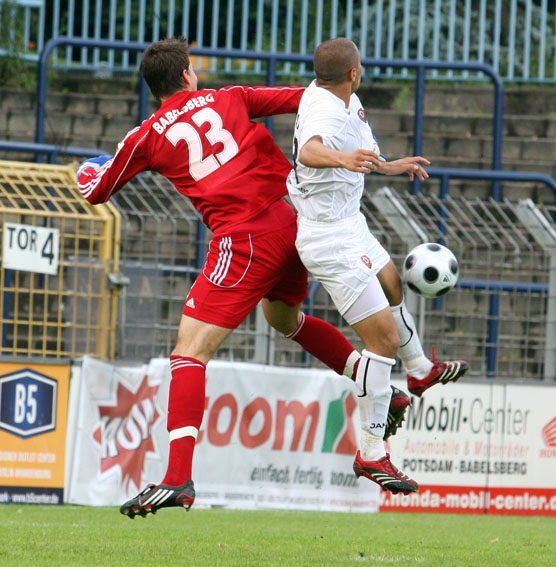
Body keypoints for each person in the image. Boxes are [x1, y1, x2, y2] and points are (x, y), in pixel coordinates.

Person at [76, 37, 411, 518]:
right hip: (293, 224)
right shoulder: (229, 97)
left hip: (244, 240)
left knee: (189, 353)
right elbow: (307, 96)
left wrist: (86, 171)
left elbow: (97, 189)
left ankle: (176, 478)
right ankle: (373, 382)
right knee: (284, 319)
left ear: (153, 86)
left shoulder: (144, 136)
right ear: (188, 74)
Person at [287, 37, 469, 494]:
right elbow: (308, 150)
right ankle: (371, 452)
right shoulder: (325, 109)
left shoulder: (344, 98)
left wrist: (388, 166)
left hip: (350, 224)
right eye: (361, 65)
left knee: (392, 283)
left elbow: (361, 150)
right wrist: (343, 159)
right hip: (329, 239)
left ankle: (420, 369)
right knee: (382, 341)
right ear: (353, 72)